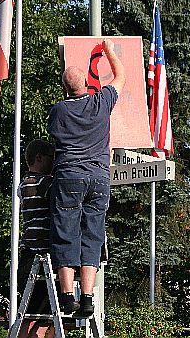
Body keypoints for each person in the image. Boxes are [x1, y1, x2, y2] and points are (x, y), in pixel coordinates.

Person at [47, 38, 126, 318]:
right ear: (86, 84)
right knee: (93, 234)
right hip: (99, 178)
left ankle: (68, 296)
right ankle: (88, 297)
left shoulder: (58, 111)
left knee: (65, 232)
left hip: (69, 176)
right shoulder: (100, 103)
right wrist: (109, 52)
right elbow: (120, 77)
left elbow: (54, 137)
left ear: (65, 88)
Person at [17, 139, 55, 338]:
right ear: (39, 158)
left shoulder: (24, 183)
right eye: (52, 157)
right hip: (41, 254)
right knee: (39, 315)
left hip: (29, 252)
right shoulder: (44, 183)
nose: (55, 162)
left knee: (32, 315)